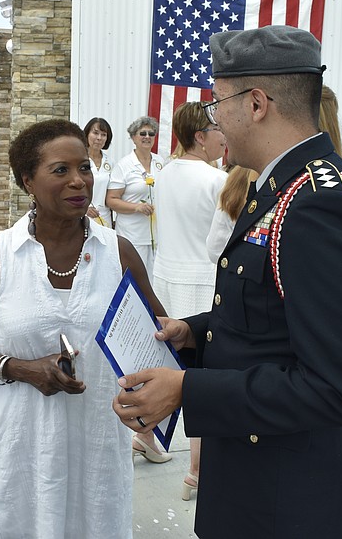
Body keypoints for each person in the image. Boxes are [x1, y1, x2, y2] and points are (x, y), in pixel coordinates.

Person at [112, 25, 342, 538]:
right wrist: (193, 332)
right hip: (253, 480)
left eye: (218, 103)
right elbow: (269, 313)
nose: (215, 120)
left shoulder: (318, 202)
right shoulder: (276, 187)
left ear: (256, 103)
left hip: (289, 500)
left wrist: (188, 389)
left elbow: (337, 388)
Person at [0, 119, 165, 538]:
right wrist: (21, 368)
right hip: (20, 446)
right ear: (27, 180)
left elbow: (156, 333)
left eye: (84, 168)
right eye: (60, 170)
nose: (78, 181)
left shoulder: (118, 253)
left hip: (97, 444)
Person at [150, 102, 227, 500]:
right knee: (199, 377)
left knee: (163, 364)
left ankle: (145, 436)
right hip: (200, 283)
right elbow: (223, 241)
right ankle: (196, 470)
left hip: (166, 276)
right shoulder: (217, 180)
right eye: (218, 130)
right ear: (201, 136)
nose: (224, 137)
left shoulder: (163, 175)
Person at [106, 116, 167, 279]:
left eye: (151, 133)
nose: (147, 137)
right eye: (143, 133)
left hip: (155, 233)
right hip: (132, 234)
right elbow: (111, 200)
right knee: (135, 278)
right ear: (133, 137)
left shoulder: (160, 162)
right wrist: (136, 207)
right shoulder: (124, 165)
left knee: (155, 279)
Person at [83, 117, 114, 226]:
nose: (99, 138)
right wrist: (84, 207)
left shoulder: (110, 162)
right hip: (83, 215)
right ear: (87, 134)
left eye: (103, 135)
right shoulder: (78, 159)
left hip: (104, 218)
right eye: (95, 133)